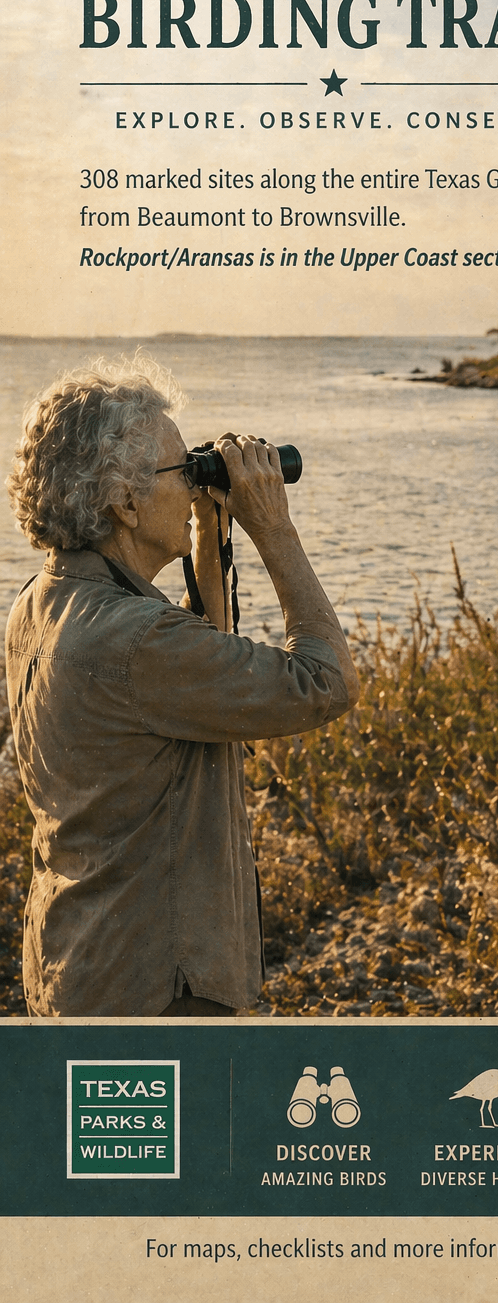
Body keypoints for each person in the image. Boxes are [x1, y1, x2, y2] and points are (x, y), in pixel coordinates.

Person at [4, 356, 358, 1016]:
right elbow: (325, 682)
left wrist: (209, 532)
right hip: (155, 990)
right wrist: (274, 528)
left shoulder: (42, 601)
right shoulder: (136, 641)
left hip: (78, 958)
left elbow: (195, 674)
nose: (193, 486)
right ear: (126, 502)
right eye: (180, 470)